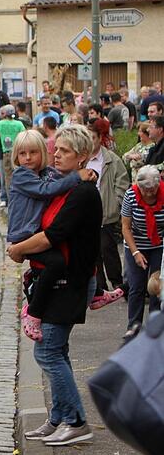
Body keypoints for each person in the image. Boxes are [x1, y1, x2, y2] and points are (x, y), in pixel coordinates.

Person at [7, 125, 101, 446]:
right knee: (56, 350)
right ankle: (59, 417)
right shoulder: (63, 184)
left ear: (82, 157)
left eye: (64, 151)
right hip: (57, 281)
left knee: (47, 352)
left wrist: (19, 249)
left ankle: (76, 421)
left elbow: (53, 236)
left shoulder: (82, 192)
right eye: (56, 149)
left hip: (70, 283)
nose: (56, 154)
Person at [6, 130, 96, 340]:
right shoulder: (22, 175)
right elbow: (47, 190)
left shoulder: (47, 173)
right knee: (56, 262)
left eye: (33, 152)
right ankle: (33, 312)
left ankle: (96, 292)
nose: (28, 158)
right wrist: (77, 176)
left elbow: (61, 181)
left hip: (34, 233)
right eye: (22, 154)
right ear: (16, 156)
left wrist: (89, 174)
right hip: (24, 235)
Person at [87, 119, 129, 307]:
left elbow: (122, 182)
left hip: (106, 211)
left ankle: (117, 283)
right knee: (92, 251)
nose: (90, 141)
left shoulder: (110, 159)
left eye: (93, 137)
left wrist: (116, 203)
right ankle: (99, 286)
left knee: (108, 249)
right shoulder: (82, 158)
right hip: (87, 212)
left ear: (99, 138)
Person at [119, 165, 164, 343]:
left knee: (156, 286)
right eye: (145, 189)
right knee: (136, 286)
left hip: (159, 244)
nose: (149, 193)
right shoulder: (131, 195)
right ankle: (133, 326)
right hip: (135, 243)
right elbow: (125, 227)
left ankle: (155, 325)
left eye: (152, 189)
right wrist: (136, 252)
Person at [0, 105, 24, 207]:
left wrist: (0, 137)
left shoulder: (0, 124)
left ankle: (10, 199)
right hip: (17, 153)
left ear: (5, 114)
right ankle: (19, 198)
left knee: (7, 177)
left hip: (6, 152)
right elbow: (24, 136)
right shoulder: (19, 124)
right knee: (18, 175)